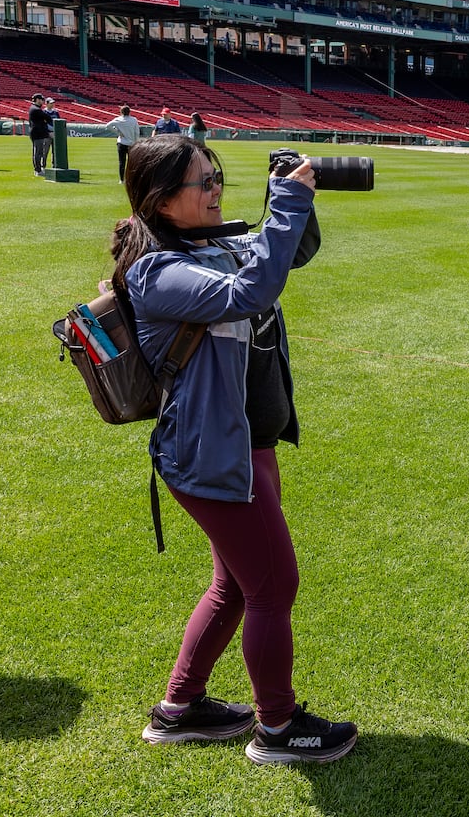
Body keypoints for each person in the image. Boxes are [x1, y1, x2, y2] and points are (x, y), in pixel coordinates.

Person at [111, 135, 357, 765]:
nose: (218, 187)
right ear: (164, 201)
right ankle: (277, 729)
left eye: (217, 174)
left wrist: (295, 197)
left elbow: (290, 254)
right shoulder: (158, 273)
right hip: (212, 454)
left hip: (244, 442)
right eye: (205, 182)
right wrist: (286, 202)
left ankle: (180, 710)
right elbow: (252, 292)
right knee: (273, 586)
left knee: (238, 586)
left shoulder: (209, 246)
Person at [108, 105, 140, 182]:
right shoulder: (134, 120)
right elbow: (137, 132)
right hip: (131, 143)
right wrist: (136, 141)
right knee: (131, 163)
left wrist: (118, 132)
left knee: (121, 162)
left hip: (121, 143)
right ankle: (130, 179)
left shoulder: (118, 119)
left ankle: (121, 180)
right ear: (129, 112)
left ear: (121, 112)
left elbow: (108, 125)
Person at [28, 94, 53, 176]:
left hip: (37, 132)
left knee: (38, 152)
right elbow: (48, 118)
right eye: (42, 100)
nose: (43, 102)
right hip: (37, 133)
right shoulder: (36, 109)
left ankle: (38, 169)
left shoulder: (35, 108)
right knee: (38, 152)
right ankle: (38, 170)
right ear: (38, 100)